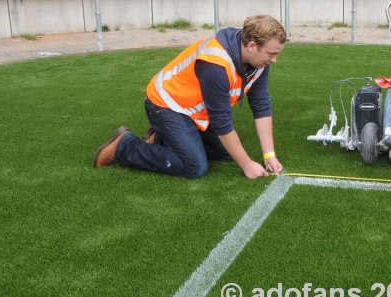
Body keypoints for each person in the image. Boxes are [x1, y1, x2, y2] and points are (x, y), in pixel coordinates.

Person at [94, 15, 286, 179]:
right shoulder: (216, 65)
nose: (274, 60)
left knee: (226, 152)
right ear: (252, 46)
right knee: (195, 167)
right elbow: (221, 123)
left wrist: (269, 155)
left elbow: (261, 106)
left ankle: (162, 138)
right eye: (271, 54)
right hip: (166, 105)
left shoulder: (259, 63)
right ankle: (125, 146)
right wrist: (246, 165)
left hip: (195, 112)